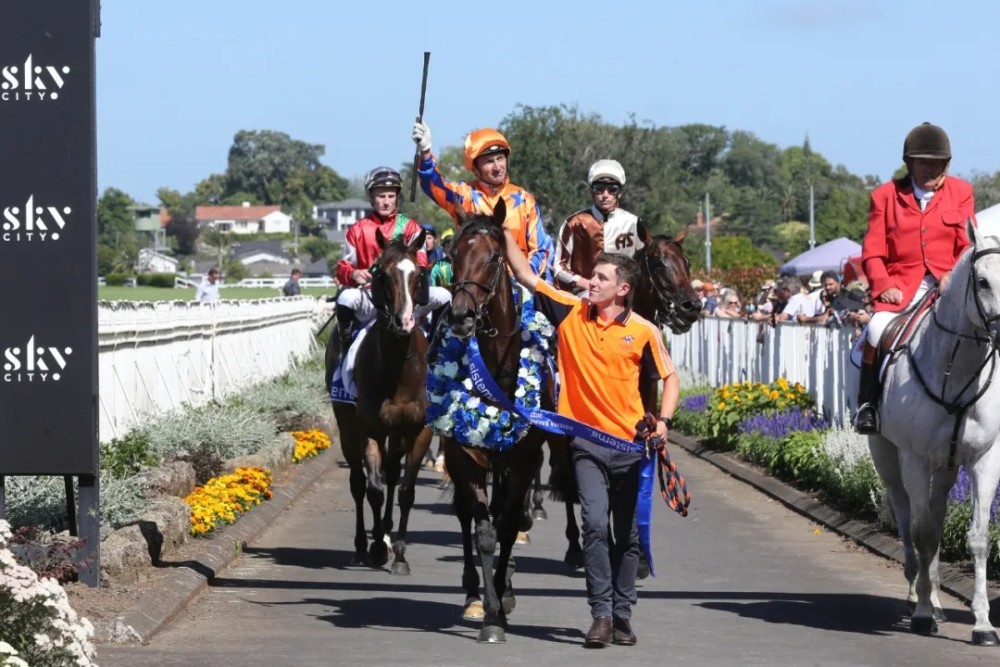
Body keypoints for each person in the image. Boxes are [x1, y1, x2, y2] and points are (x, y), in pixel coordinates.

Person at [503, 230, 680, 648]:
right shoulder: (570, 312)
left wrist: (665, 420)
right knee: (595, 527)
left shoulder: (643, 331)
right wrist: (505, 230)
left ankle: (623, 614)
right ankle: (600, 614)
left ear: (622, 288)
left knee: (629, 535)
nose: (590, 282)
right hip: (586, 445)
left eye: (600, 277)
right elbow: (527, 275)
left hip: (631, 448)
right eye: (591, 276)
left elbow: (670, 378)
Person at [855, 122, 975, 433]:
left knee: (983, 325)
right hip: (902, 288)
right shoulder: (885, 196)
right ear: (909, 163)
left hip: (949, 287)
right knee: (876, 329)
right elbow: (872, 253)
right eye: (924, 163)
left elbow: (968, 243)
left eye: (938, 163)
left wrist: (953, 271)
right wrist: (884, 286)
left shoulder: (961, 192)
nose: (931, 170)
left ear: (946, 165)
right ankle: (868, 404)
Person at [334, 166, 452, 359]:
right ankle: (345, 350)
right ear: (371, 197)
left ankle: (436, 345)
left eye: (391, 196)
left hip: (407, 295)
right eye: (381, 196)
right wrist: (354, 274)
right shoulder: (357, 230)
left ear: (397, 197)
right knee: (346, 298)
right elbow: (343, 267)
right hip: (371, 297)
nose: (386, 202)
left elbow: (421, 261)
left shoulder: (410, 226)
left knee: (444, 295)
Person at [411, 120, 553, 278]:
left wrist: (523, 278)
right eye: (489, 161)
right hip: (476, 288)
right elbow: (434, 185)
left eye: (500, 158)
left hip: (521, 286)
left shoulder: (525, 200)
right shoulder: (464, 195)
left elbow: (541, 248)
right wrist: (425, 152)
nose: (497, 167)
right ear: (475, 169)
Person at [553, 160, 647, 295]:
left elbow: (643, 265)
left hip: (625, 296)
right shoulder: (575, 223)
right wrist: (586, 284)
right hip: (585, 295)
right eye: (599, 189)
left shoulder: (633, 223)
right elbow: (558, 267)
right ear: (592, 192)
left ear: (619, 193)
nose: (605, 195)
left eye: (612, 190)